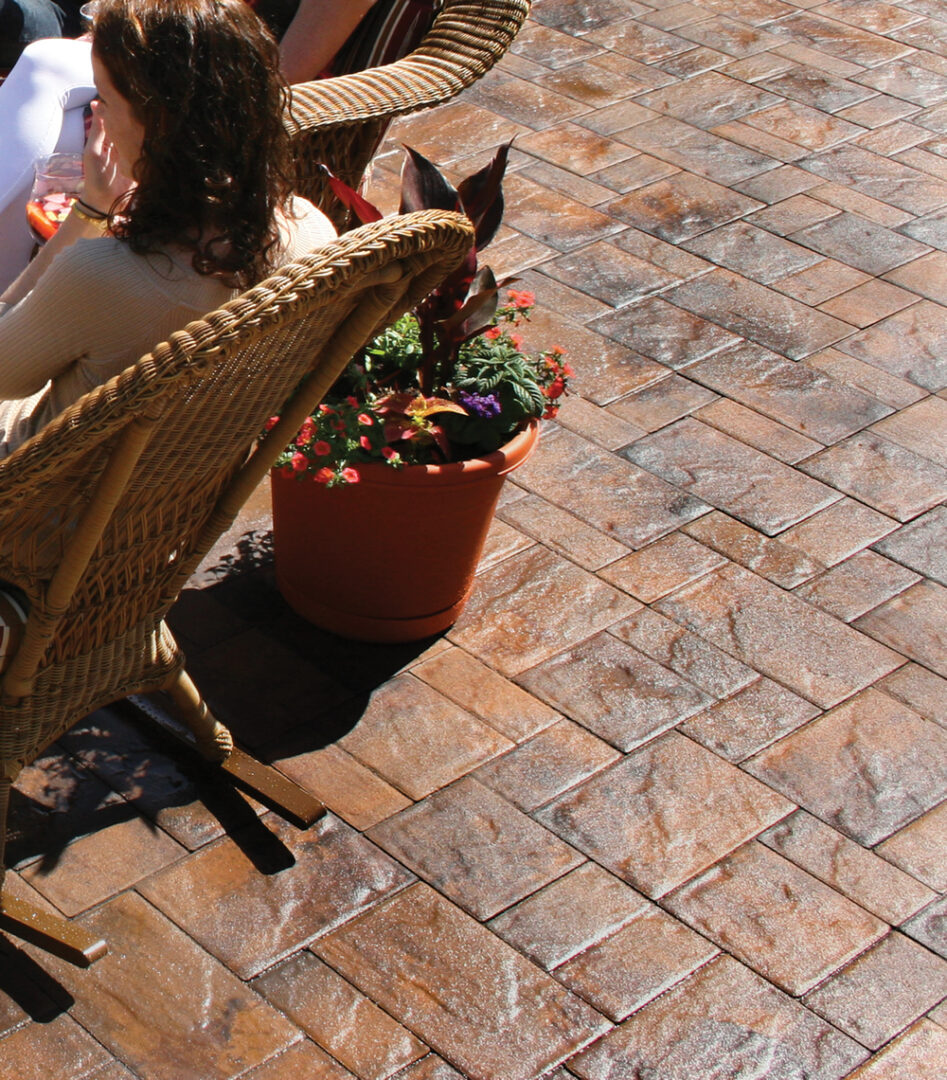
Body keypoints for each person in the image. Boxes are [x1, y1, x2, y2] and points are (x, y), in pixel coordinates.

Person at [0, 0, 337, 459]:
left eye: (104, 99)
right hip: (179, 482)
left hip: (44, 488)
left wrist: (90, 212)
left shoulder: (103, 275)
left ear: (156, 124)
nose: (95, 112)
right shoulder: (314, 232)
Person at [0, 0, 438, 290]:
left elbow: (276, 83)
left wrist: (142, 76)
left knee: (51, 92)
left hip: (209, 90)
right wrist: (127, 29)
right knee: (48, 85)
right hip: (179, 56)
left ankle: (12, 291)